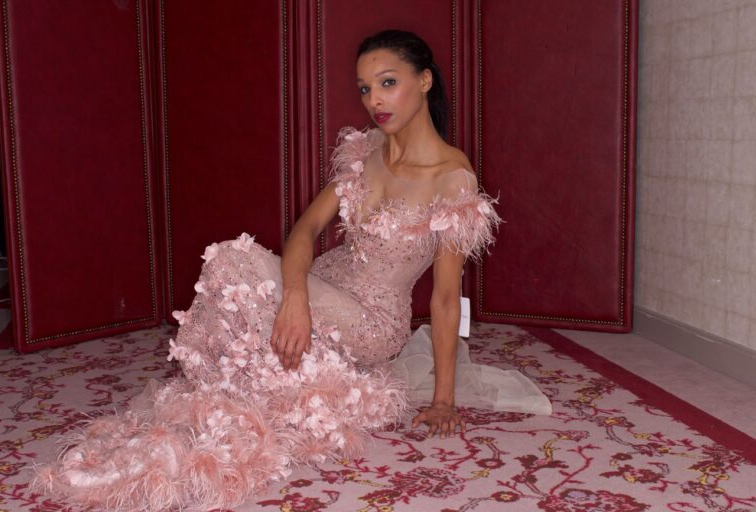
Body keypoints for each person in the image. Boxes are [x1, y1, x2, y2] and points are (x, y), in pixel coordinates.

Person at [31, 29, 550, 511]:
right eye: (365, 88)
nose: (375, 100)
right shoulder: (365, 149)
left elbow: (444, 298)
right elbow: (304, 231)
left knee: (233, 257)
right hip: (323, 285)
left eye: (388, 83)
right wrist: (295, 296)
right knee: (238, 270)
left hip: (371, 319)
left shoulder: (452, 179)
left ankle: (243, 387)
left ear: (425, 81)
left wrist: (443, 400)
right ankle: (231, 386)